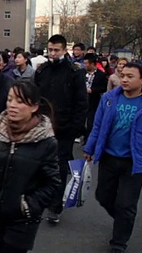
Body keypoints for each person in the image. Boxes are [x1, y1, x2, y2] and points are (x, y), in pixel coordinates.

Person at [83, 63, 142, 252]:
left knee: (126, 203)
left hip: (135, 162)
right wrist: (89, 148)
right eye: (122, 76)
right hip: (109, 158)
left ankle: (119, 242)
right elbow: (97, 126)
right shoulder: (108, 99)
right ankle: (123, 219)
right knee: (103, 196)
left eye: (130, 77)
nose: (124, 80)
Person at [0, 81, 60, 253]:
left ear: (34, 107)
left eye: (19, 101)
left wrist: (28, 205)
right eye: (10, 99)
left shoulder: (46, 141)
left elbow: (52, 183)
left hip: (22, 220)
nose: (12, 105)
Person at [34, 34, 88, 225]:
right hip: (41, 128)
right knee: (39, 167)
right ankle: (39, 202)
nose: (53, 53)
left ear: (65, 50)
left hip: (64, 130)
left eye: (56, 50)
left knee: (58, 168)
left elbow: (81, 104)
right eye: (50, 50)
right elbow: (34, 98)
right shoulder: (42, 71)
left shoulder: (75, 72)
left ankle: (55, 207)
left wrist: (73, 129)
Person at [83, 53, 108, 140]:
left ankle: (88, 138)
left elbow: (104, 88)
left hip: (93, 101)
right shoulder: (81, 73)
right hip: (82, 100)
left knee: (91, 121)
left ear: (92, 64)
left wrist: (93, 90)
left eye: (86, 63)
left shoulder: (101, 75)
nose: (85, 65)